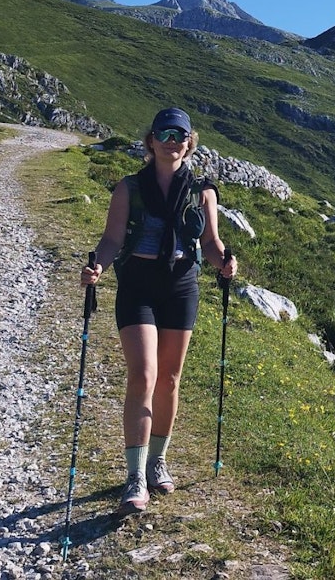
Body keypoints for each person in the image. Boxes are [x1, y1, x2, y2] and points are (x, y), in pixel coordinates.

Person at [81, 107, 237, 514]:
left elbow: (211, 244)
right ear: (151, 140)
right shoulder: (128, 189)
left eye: (179, 135)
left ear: (190, 142)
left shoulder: (203, 192)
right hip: (138, 286)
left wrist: (224, 262)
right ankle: (134, 475)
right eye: (164, 133)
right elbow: (113, 240)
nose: (172, 140)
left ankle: (156, 463)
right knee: (144, 374)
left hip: (181, 286)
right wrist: (98, 263)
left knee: (169, 378)